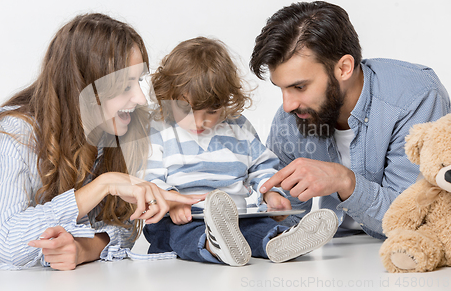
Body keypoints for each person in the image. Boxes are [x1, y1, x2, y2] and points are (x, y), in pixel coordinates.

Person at [0, 13, 199, 270]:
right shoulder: (17, 130)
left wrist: (84, 248)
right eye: (126, 86)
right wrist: (104, 184)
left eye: (139, 82)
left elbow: (123, 223)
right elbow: (7, 243)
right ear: (84, 86)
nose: (140, 98)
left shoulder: (117, 126)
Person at [249, 1, 450, 239]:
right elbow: (290, 215)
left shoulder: (414, 98)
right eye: (281, 88)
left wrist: (344, 181)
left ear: (344, 68)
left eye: (299, 86)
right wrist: (274, 206)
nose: (287, 105)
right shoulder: (290, 117)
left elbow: (414, 219)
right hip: (330, 259)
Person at [142, 37, 338, 266]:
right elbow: (148, 180)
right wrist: (173, 202)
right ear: (168, 97)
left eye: (212, 111)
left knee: (257, 227)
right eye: (186, 109)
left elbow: (262, 167)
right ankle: (213, 246)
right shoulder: (158, 130)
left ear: (226, 103)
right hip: (181, 217)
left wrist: (270, 194)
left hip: (237, 218)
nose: (199, 121)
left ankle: (279, 241)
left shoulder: (237, 126)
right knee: (179, 233)